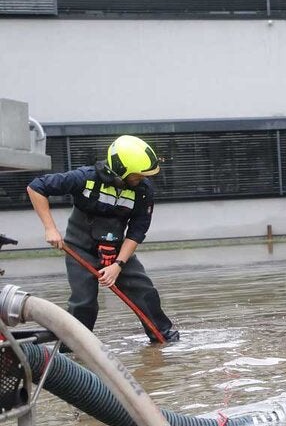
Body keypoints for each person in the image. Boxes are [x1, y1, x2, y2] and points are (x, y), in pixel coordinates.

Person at [26, 135, 180, 344]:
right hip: (80, 248)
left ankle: (164, 338)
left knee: (145, 291)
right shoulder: (85, 178)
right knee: (84, 303)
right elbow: (36, 187)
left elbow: (136, 231)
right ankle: (74, 349)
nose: (142, 179)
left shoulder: (143, 192)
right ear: (120, 169)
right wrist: (50, 229)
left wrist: (118, 265)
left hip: (117, 251)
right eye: (137, 175)